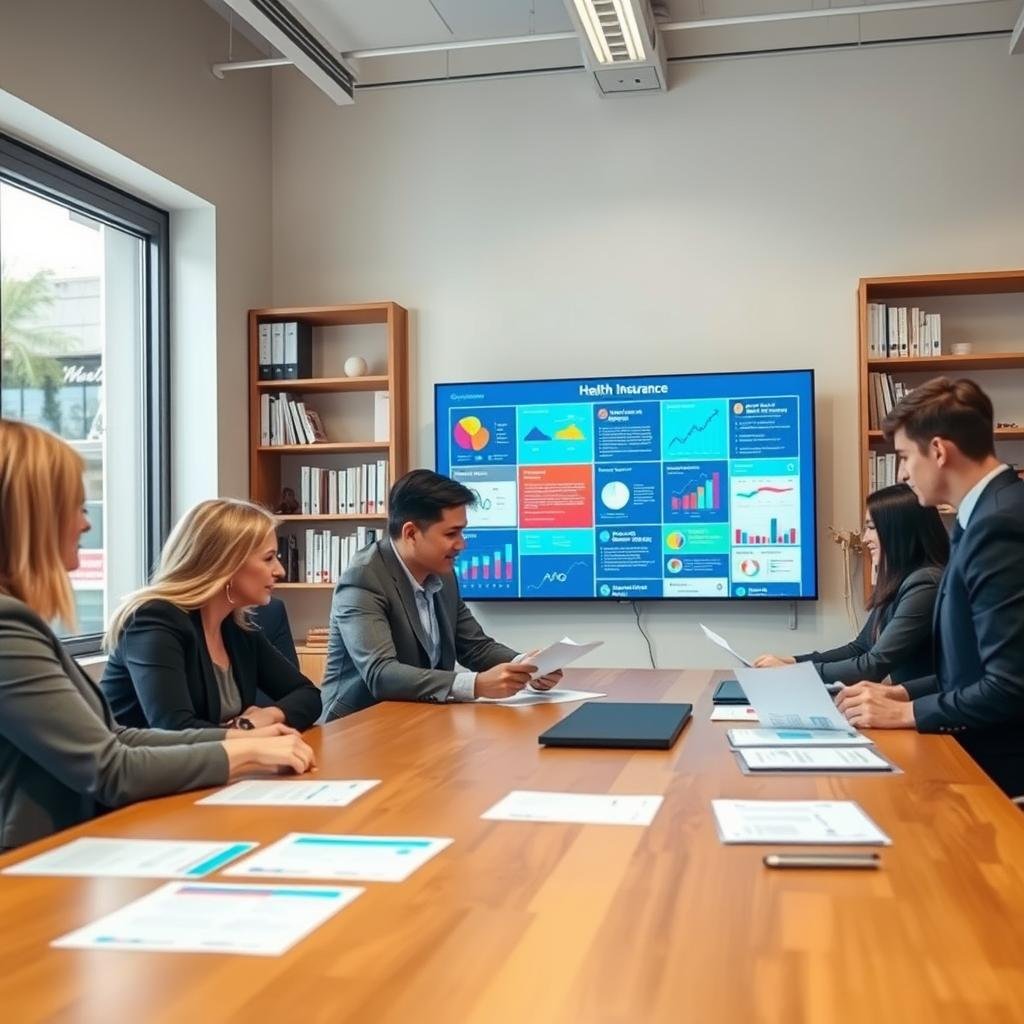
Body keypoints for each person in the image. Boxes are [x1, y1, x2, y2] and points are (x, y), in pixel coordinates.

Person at [0, 420, 315, 851]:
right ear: (29, 518)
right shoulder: (9, 627)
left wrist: (245, 737)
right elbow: (111, 768)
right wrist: (246, 750)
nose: (86, 524)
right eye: (77, 507)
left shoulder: (18, 621)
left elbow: (116, 736)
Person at [835, 378, 1024, 796]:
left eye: (903, 457)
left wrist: (906, 713)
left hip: (999, 774)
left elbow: (1010, 686)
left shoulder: (1000, 524)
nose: (902, 472)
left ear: (938, 451)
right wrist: (899, 692)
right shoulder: (981, 517)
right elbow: (967, 671)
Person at [320, 469, 561, 720]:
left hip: (420, 718)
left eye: (462, 531)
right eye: (451, 533)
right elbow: (381, 674)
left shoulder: (443, 574)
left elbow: (475, 647)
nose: (462, 544)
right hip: (358, 727)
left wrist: (527, 667)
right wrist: (476, 685)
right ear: (411, 533)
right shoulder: (363, 579)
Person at [101, 500, 321, 731]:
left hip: (208, 765)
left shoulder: (237, 630)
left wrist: (264, 718)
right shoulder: (152, 622)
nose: (280, 571)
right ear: (226, 563)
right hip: (138, 766)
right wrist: (247, 734)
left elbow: (308, 695)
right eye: (268, 558)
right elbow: (174, 730)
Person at [753, 484, 948, 685]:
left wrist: (793, 672)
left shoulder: (925, 584)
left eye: (871, 528)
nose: (865, 539)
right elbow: (860, 648)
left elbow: (873, 665)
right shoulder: (902, 582)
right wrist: (794, 662)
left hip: (924, 712)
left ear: (899, 529)